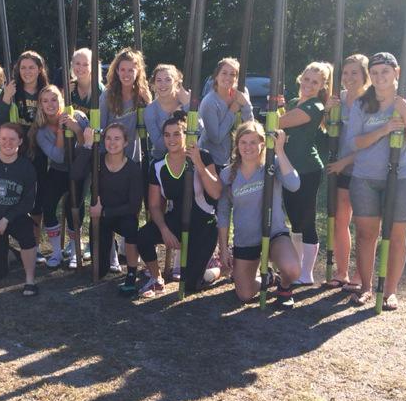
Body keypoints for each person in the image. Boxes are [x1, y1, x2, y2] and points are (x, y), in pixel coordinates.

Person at [345, 52, 406, 310]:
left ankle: (391, 291)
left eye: (385, 71)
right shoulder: (362, 102)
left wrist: (405, 112)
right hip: (365, 178)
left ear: (397, 72)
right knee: (366, 235)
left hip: (401, 177)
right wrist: (384, 130)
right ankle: (366, 287)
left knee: (395, 236)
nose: (380, 77)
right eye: (375, 72)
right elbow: (354, 142)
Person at [134, 114, 222, 297]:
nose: (171, 139)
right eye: (167, 135)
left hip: (204, 225)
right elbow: (154, 206)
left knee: (191, 284)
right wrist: (164, 230)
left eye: (176, 134)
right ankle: (156, 279)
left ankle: (218, 269)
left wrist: (198, 163)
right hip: (177, 221)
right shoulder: (158, 166)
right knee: (142, 236)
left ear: (186, 135)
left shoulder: (202, 156)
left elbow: (216, 193)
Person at [217, 121, 301, 307]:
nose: (248, 147)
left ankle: (284, 286)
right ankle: (269, 277)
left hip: (274, 233)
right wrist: (223, 248)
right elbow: (223, 213)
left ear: (262, 143)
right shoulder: (228, 174)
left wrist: (280, 150)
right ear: (237, 145)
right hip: (246, 239)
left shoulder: (272, 165)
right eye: (243, 142)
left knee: (293, 270)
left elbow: (294, 185)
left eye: (253, 142)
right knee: (245, 294)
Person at [278, 61, 333, 285]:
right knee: (294, 219)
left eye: (315, 82)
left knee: (306, 219)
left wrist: (266, 114)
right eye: (307, 79)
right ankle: (297, 267)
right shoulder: (294, 102)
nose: (309, 85)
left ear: (322, 86)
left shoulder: (315, 106)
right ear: (301, 78)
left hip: (308, 169)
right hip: (288, 167)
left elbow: (278, 122)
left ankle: (307, 273)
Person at [0, 123, 41, 295]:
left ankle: (30, 280)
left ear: (20, 141)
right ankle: (12, 253)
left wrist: (6, 219)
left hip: (14, 217)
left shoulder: (26, 167)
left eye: (12, 139)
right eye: (3, 138)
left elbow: (28, 202)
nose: (7, 143)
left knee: (27, 233)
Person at [72, 123, 142, 280]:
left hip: (122, 215)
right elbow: (75, 174)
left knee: (131, 229)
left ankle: (131, 272)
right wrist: (88, 145)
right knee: (100, 271)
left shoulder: (133, 169)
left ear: (125, 142)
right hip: (100, 219)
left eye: (117, 138)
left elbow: (134, 206)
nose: (112, 142)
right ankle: (109, 250)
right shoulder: (98, 160)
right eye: (108, 138)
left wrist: (104, 211)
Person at [324, 54, 370, 290]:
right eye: (345, 73)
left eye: (355, 73)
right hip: (342, 167)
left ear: (365, 75)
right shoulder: (340, 98)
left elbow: (372, 142)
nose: (349, 77)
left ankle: (361, 275)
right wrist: (327, 111)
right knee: (340, 220)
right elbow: (328, 128)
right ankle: (342, 271)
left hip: (364, 168)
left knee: (364, 226)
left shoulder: (371, 101)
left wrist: (345, 162)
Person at [0, 51, 50, 251]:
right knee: (12, 194)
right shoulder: (13, 91)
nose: (27, 71)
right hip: (16, 150)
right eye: (23, 67)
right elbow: (1, 122)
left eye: (32, 67)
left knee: (37, 197)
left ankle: (33, 245)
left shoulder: (45, 92)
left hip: (40, 150)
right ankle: (7, 241)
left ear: (39, 69)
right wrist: (6, 97)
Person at [30, 85, 87, 268]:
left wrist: (77, 130)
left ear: (61, 100)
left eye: (54, 99)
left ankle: (75, 249)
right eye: (45, 101)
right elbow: (59, 157)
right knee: (48, 204)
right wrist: (62, 132)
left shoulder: (78, 117)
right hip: (58, 169)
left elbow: (86, 148)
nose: (50, 104)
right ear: (40, 105)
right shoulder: (41, 131)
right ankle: (56, 251)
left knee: (74, 207)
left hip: (79, 168)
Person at [197, 57, 253, 168]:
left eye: (232, 74)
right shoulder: (209, 102)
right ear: (216, 76)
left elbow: (250, 125)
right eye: (224, 73)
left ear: (236, 78)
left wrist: (246, 105)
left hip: (238, 159)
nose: (228, 77)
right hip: (212, 161)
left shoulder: (242, 92)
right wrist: (232, 111)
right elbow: (216, 138)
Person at [99, 48, 152, 162]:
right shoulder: (107, 95)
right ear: (117, 71)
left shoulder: (141, 95)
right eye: (122, 70)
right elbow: (101, 127)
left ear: (138, 71)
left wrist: (149, 102)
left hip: (133, 158)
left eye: (130, 70)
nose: (126, 74)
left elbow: (151, 125)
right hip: (110, 157)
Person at [144, 64, 191, 162]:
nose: (163, 84)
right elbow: (160, 146)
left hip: (188, 158)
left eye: (168, 80)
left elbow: (200, 130)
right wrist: (174, 116)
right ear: (154, 84)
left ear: (176, 82)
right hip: (162, 160)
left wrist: (188, 106)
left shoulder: (185, 100)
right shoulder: (150, 111)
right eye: (159, 80)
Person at [69, 48, 103, 118]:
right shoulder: (70, 86)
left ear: (92, 67)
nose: (80, 68)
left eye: (85, 64)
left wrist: (77, 125)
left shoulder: (100, 91)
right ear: (72, 65)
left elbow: (104, 120)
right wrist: (63, 96)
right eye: (77, 63)